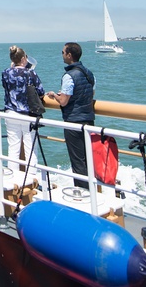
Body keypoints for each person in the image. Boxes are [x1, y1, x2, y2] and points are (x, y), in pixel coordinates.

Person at [45, 42, 95, 189]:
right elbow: (90, 94)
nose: (62, 55)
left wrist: (54, 95)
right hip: (89, 120)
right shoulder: (88, 73)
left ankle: (82, 192)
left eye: (63, 52)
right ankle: (93, 190)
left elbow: (64, 101)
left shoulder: (69, 76)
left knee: (77, 160)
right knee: (89, 159)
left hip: (73, 121)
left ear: (69, 55)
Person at [1, 46, 46, 180]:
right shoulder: (30, 73)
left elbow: (6, 86)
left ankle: (12, 177)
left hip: (11, 113)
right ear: (23, 59)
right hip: (27, 114)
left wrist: (12, 67)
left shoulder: (5, 72)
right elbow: (41, 92)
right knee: (30, 148)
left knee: (13, 147)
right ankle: (31, 177)